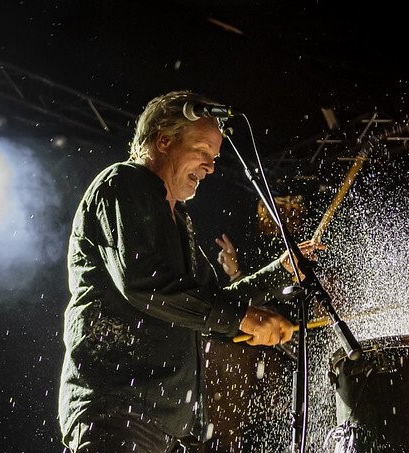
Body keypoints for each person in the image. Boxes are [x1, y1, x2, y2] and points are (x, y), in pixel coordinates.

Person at [58, 90, 323, 453]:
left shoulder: (180, 221)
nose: (211, 167)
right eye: (202, 152)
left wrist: (280, 272)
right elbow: (145, 285)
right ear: (164, 141)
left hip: (169, 426)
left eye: (214, 157)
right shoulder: (122, 184)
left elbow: (211, 302)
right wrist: (242, 319)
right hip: (118, 411)